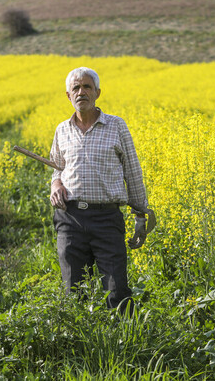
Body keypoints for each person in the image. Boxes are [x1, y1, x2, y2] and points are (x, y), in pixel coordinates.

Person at [49, 66, 150, 311]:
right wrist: (55, 184)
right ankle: (81, 345)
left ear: (97, 93)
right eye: (76, 88)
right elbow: (56, 169)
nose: (81, 92)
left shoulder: (116, 126)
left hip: (106, 218)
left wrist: (140, 216)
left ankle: (124, 342)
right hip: (70, 218)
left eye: (86, 87)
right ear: (68, 95)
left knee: (117, 291)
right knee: (74, 290)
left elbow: (133, 172)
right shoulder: (62, 130)